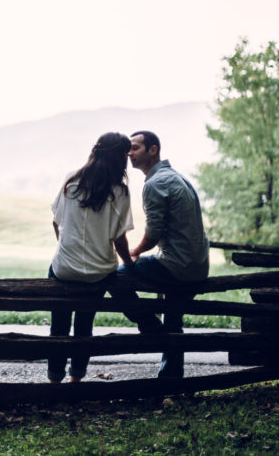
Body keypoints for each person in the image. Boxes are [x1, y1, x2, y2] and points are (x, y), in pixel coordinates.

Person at [117, 130, 209, 379]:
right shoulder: (176, 177)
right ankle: (171, 377)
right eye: (129, 149)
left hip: (177, 266)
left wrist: (134, 253)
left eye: (135, 147)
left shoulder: (156, 183)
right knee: (173, 314)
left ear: (153, 149)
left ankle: (148, 324)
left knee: (117, 275)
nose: (129, 153)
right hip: (197, 266)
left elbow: (154, 232)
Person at [47, 131, 136, 383]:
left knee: (59, 325)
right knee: (84, 325)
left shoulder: (71, 181)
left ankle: (54, 380)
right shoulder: (120, 192)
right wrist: (130, 263)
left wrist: (68, 249)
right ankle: (76, 379)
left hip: (64, 268)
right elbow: (119, 240)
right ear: (121, 159)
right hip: (100, 272)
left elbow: (56, 222)